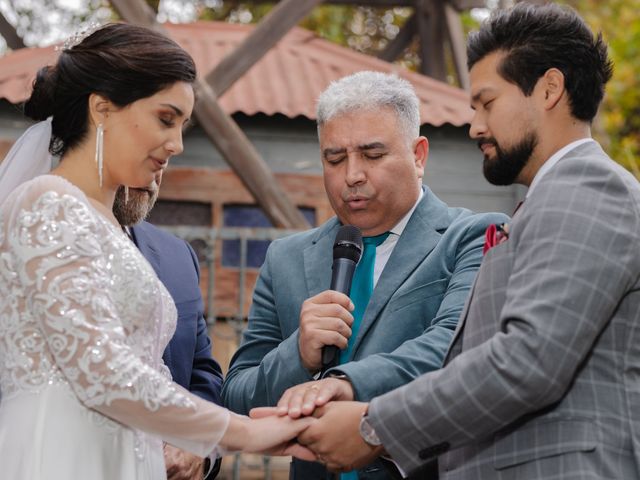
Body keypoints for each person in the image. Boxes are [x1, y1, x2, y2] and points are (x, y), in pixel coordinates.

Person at [284, 3, 640, 479]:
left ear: (549, 89)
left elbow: (527, 362)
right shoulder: (550, 199)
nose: (474, 126)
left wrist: (374, 427)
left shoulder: (588, 188)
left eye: (487, 103)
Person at [0, 23, 313, 480]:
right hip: (63, 453)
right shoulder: (48, 201)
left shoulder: (106, 223)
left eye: (183, 126)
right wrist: (243, 433)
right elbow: (104, 372)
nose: (178, 144)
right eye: (166, 119)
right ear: (102, 109)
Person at [222, 71, 508, 479]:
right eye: (334, 159)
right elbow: (235, 398)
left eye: (372, 155)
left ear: (418, 155)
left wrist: (345, 382)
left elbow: (453, 348)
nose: (352, 175)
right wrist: (297, 353)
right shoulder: (285, 258)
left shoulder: (473, 236)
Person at [113, 180, 224, 480]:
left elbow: (203, 374)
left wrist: (196, 445)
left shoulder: (177, 255)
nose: (157, 171)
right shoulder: (37, 240)